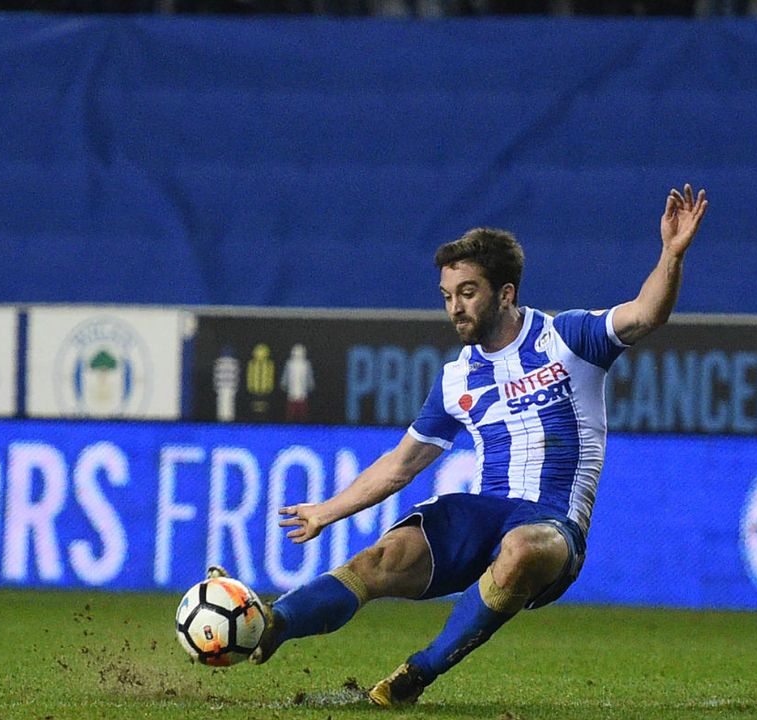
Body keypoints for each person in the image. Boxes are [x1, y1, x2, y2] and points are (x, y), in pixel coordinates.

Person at [248, 184, 708, 706]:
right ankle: (274, 622)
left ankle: (414, 675)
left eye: (467, 292)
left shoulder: (568, 338)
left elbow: (647, 313)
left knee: (522, 549)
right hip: (484, 512)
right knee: (381, 558)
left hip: (554, 524)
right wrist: (325, 512)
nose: (455, 308)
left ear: (505, 293)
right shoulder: (455, 380)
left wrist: (671, 255)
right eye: (447, 296)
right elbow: (400, 466)